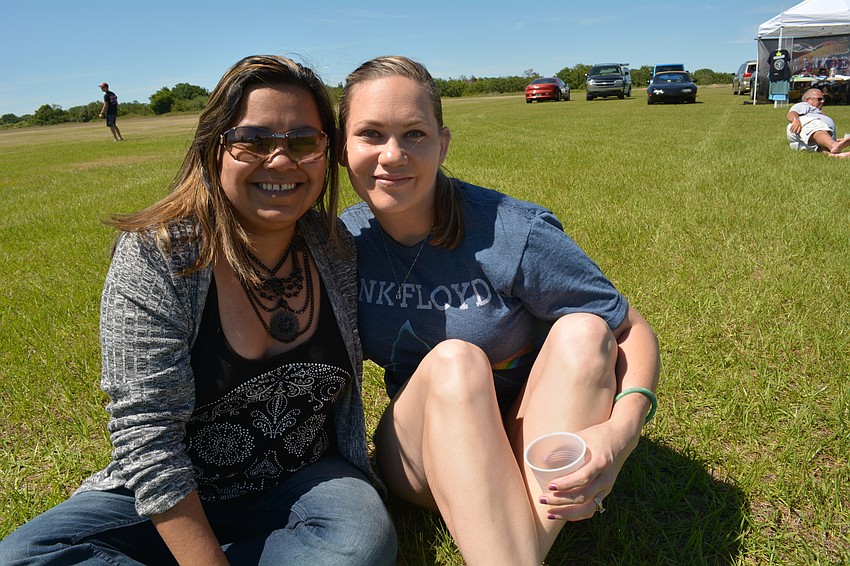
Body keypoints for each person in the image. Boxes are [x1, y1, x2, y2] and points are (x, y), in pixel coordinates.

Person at [0, 55, 396, 566]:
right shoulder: (159, 255)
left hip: (306, 479)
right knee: (25, 557)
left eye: (302, 142)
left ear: (326, 152)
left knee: (359, 544)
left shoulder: (335, 246)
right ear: (214, 149)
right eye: (253, 141)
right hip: (177, 493)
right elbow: (147, 437)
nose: (280, 161)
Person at [338, 55, 660, 566]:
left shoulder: (511, 231)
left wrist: (620, 435)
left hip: (527, 438)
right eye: (371, 134)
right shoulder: (340, 244)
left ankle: (505, 542)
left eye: (415, 134)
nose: (393, 155)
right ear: (343, 148)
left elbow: (629, 330)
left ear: (443, 144)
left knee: (586, 331)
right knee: (456, 360)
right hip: (421, 452)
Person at [787, 88, 850, 157]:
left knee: (820, 146)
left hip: (806, 138)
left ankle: (834, 155)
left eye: (823, 99)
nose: (822, 101)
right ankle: (833, 145)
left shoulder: (816, 112)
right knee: (816, 125)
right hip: (799, 129)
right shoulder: (804, 105)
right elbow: (792, 113)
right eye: (819, 99)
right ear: (808, 100)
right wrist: (796, 120)